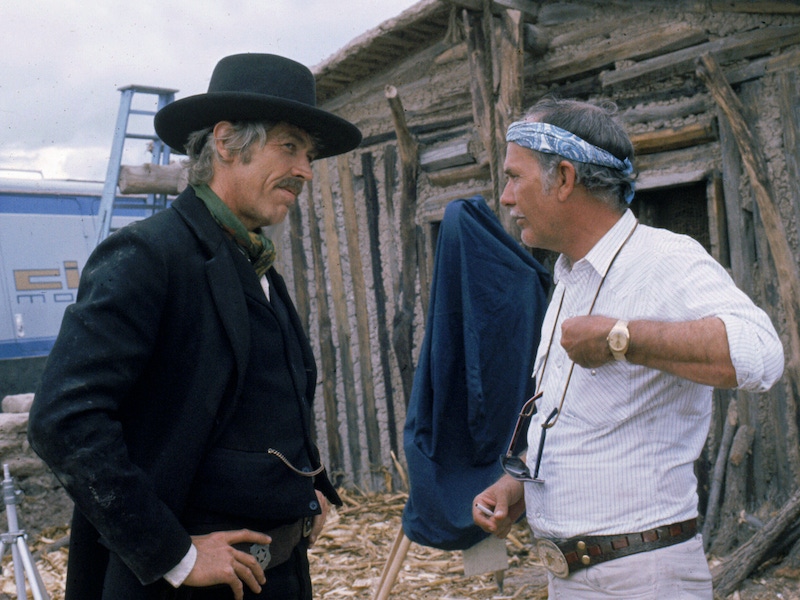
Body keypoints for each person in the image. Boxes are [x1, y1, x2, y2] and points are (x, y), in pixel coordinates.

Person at [28, 53, 362, 600]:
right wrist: (174, 554)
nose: (305, 169)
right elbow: (63, 418)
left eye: (309, 154)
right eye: (289, 146)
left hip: (275, 574)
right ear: (227, 141)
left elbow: (257, 406)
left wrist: (308, 489)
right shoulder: (150, 255)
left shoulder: (253, 263)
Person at [472, 96, 785, 599]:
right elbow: (579, 421)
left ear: (565, 178)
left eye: (514, 177)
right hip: (571, 576)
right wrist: (519, 488)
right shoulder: (569, 274)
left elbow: (762, 354)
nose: (506, 197)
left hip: (641, 580)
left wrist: (622, 337)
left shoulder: (665, 258)